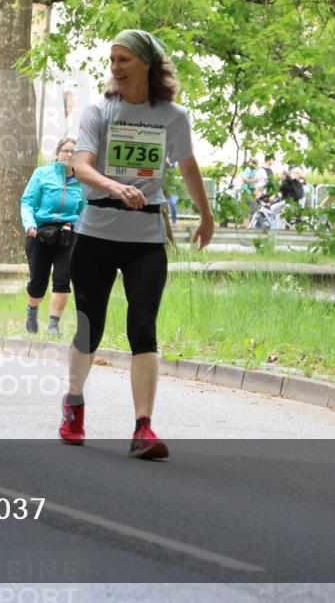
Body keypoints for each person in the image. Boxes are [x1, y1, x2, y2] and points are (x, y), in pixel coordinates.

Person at [60, 29, 214, 460]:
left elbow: (187, 165)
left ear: (147, 63)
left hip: (145, 238)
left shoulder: (174, 116)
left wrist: (206, 215)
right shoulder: (100, 111)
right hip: (96, 234)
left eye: (124, 59)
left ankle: (143, 427)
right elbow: (81, 166)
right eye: (112, 60)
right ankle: (74, 406)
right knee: (89, 326)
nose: (116, 67)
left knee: (143, 328)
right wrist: (114, 186)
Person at [20, 136, 85, 336]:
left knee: (62, 278)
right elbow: (27, 202)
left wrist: (82, 231)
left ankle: (53, 325)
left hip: (68, 233)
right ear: (57, 153)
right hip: (40, 232)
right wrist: (30, 224)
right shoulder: (42, 174)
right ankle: (32, 311)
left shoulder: (83, 181)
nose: (70, 155)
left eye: (74, 152)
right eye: (66, 150)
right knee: (38, 280)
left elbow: (84, 209)